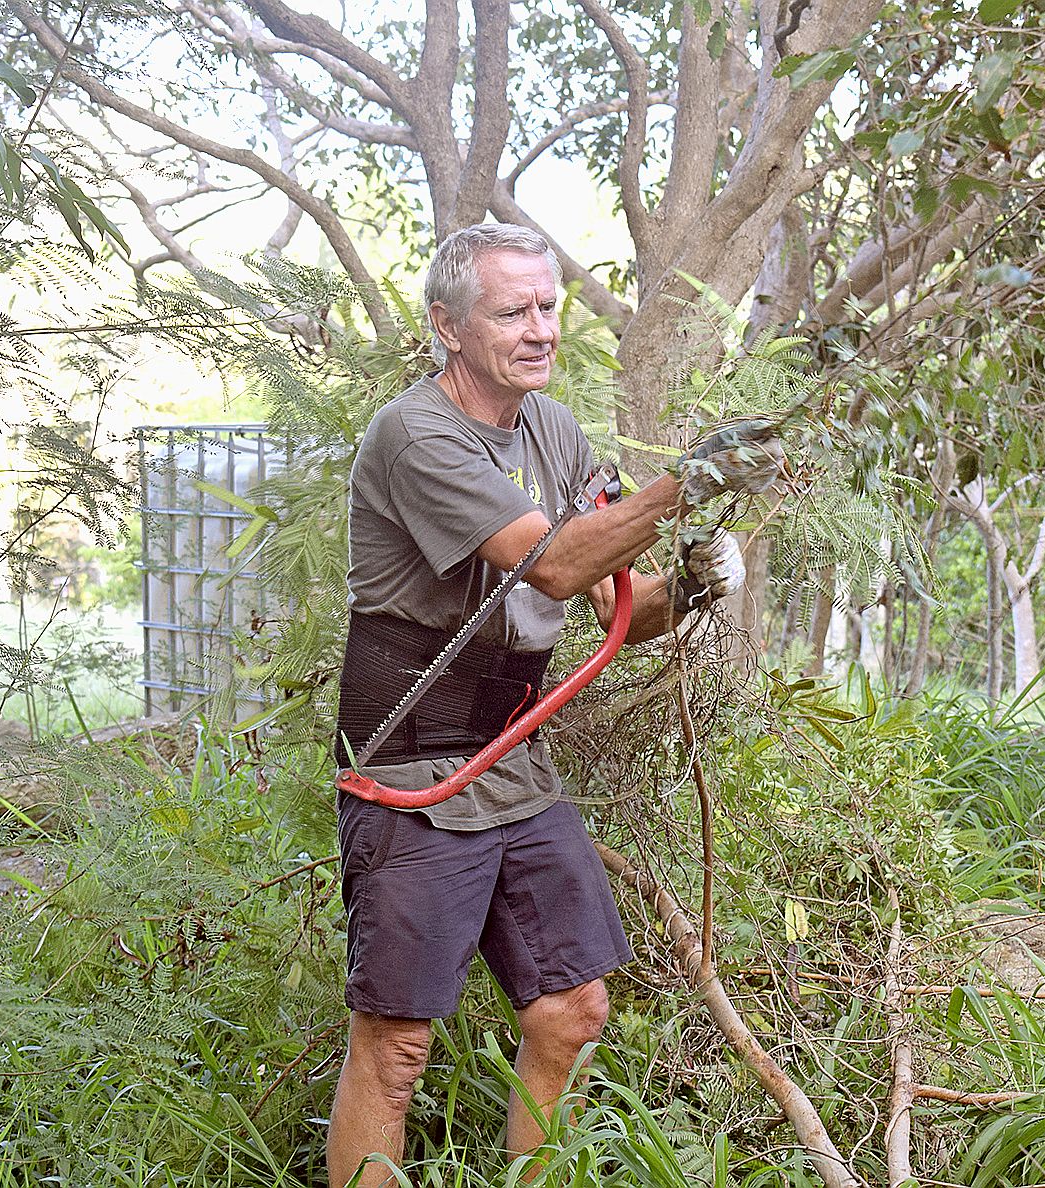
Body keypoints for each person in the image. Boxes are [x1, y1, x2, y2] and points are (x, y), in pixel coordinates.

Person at [326, 223, 781, 1188]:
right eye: (511, 311)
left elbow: (624, 606)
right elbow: (565, 562)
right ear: (448, 327)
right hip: (412, 757)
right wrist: (688, 482)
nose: (540, 329)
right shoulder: (415, 435)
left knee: (571, 1009)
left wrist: (695, 587)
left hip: (513, 752)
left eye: (548, 306)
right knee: (398, 1042)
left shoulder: (553, 430)